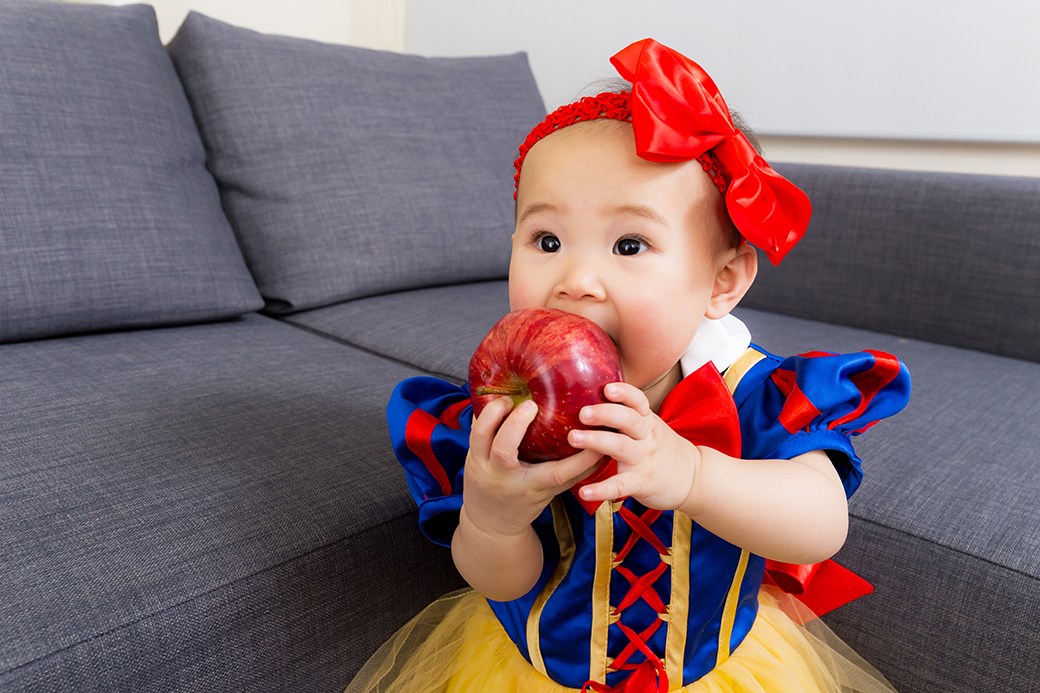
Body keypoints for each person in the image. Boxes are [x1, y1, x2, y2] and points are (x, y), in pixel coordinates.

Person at [349, 38, 911, 692]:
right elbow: (504, 579)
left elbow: (820, 525)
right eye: (547, 240)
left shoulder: (756, 393)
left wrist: (695, 472)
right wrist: (492, 516)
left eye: (629, 243)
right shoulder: (501, 416)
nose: (577, 278)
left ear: (721, 281)